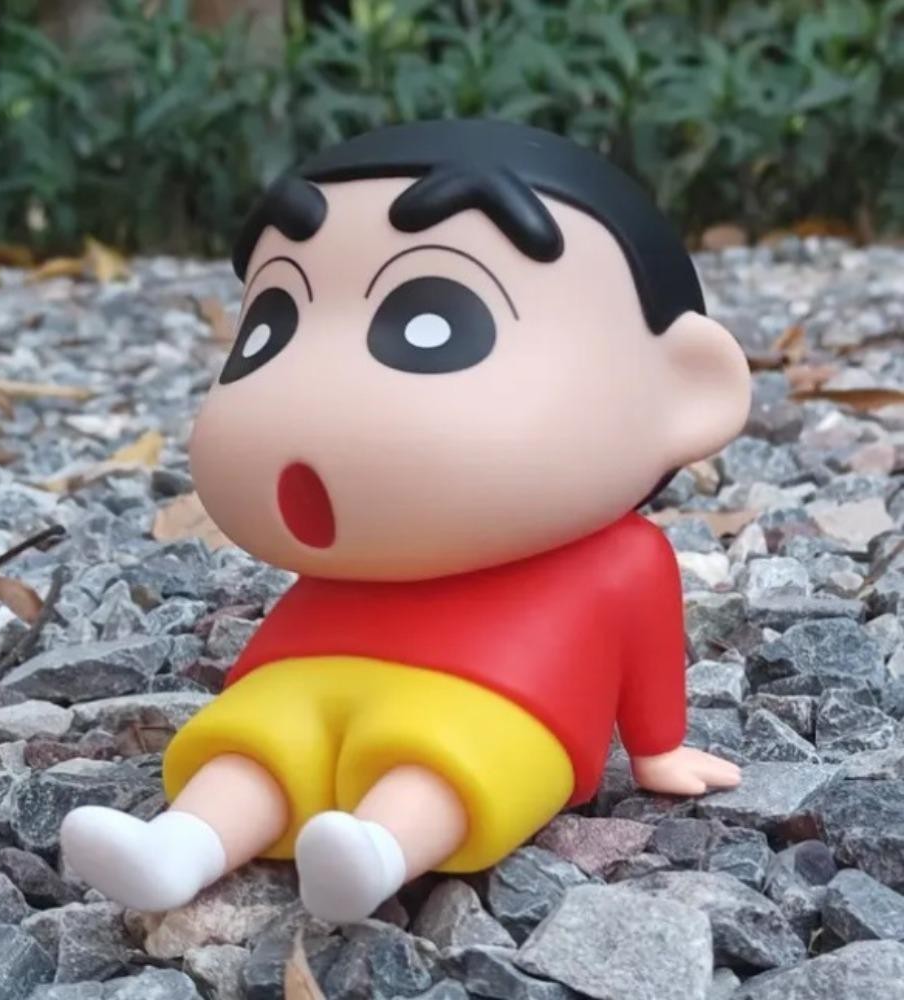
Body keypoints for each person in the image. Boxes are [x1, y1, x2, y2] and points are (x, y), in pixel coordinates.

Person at [61, 119, 751, 923]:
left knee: (445, 765)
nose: (311, 383)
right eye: (271, 324)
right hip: (308, 669)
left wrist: (657, 750)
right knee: (254, 747)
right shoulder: (350, 564)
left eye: (437, 325)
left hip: (507, 699)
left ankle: (380, 852)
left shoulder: (617, 557)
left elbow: (645, 647)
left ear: (685, 391)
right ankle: (176, 849)